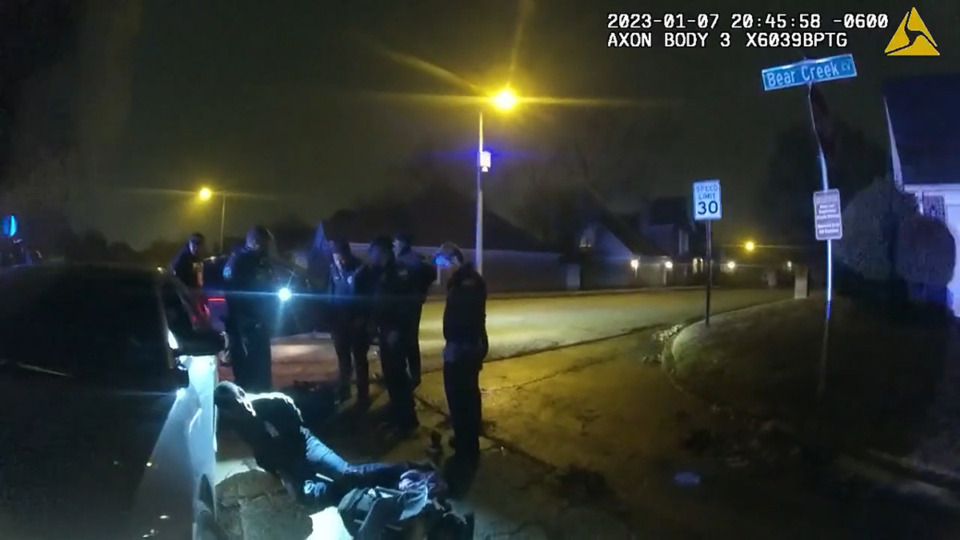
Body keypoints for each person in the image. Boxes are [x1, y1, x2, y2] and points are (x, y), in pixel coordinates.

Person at [214, 381, 421, 508]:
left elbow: (297, 425)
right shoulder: (238, 424)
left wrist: (291, 459)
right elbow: (261, 450)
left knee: (347, 473)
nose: (246, 411)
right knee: (306, 497)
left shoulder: (274, 403)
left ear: (243, 394)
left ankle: (406, 468)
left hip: (304, 444)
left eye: (244, 404)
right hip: (285, 459)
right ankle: (347, 492)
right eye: (238, 411)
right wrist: (281, 472)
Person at [436, 243, 487, 461]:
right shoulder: (460, 281)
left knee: (462, 396)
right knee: (460, 395)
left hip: (464, 347)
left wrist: (458, 343)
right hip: (460, 346)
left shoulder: (468, 283)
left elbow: (467, 318)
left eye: (444, 263)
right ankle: (464, 437)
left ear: (454, 259)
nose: (443, 268)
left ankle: (468, 445)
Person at [368, 235, 419, 432]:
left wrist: (397, 331)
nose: (371, 256)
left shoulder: (399, 271)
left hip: (396, 333)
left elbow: (406, 305)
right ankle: (397, 414)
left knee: (398, 377)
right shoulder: (381, 271)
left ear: (382, 251)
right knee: (391, 376)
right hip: (385, 331)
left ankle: (407, 420)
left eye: (373, 252)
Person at [223, 225, 276, 392]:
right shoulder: (240, 261)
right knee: (249, 361)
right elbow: (237, 295)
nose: (266, 247)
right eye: (263, 243)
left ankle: (262, 389)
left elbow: (267, 287)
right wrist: (248, 319)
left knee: (260, 359)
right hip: (246, 321)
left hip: (258, 319)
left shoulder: (259, 260)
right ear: (254, 241)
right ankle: (250, 393)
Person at [327, 239, 371, 405]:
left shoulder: (362, 269)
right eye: (335, 258)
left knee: (360, 360)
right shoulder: (333, 270)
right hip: (339, 324)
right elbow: (329, 296)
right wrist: (329, 322)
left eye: (341, 258)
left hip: (357, 323)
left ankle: (363, 394)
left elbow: (368, 298)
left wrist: (365, 319)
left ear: (348, 254)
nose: (339, 262)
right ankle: (344, 390)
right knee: (343, 360)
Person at [393, 233, 435, 387]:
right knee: (404, 340)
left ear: (403, 243)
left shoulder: (413, 260)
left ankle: (414, 375)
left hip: (410, 307)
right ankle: (407, 373)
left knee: (409, 340)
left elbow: (430, 274)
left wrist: (420, 292)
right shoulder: (401, 259)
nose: (394, 245)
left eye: (396, 242)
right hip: (403, 306)